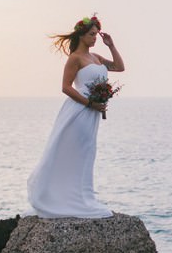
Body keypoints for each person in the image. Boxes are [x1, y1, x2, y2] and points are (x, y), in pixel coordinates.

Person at [27, 15, 125, 218]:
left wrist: (111, 45)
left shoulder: (96, 57)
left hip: (93, 113)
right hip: (79, 112)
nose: (95, 38)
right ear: (81, 35)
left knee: (89, 151)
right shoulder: (75, 58)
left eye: (97, 34)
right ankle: (68, 198)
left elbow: (119, 67)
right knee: (79, 151)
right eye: (91, 34)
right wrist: (90, 103)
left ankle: (84, 197)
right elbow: (65, 87)